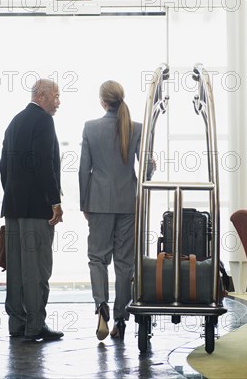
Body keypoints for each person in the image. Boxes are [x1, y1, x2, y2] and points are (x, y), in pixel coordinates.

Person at [79, 80, 150, 341]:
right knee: (124, 263)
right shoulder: (136, 129)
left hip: (98, 203)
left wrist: (83, 203)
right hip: (127, 204)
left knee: (97, 258)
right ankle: (120, 319)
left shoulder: (90, 128)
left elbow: (83, 169)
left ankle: (101, 306)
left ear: (102, 102)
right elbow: (147, 171)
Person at [0, 78, 64, 341]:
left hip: (13, 207)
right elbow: (44, 165)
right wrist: (55, 202)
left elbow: (3, 166)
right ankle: (35, 326)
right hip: (38, 209)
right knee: (37, 269)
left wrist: (12, 194)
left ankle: (17, 324)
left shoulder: (14, 121)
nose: (59, 102)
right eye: (56, 96)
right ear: (41, 95)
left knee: (16, 269)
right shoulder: (44, 121)